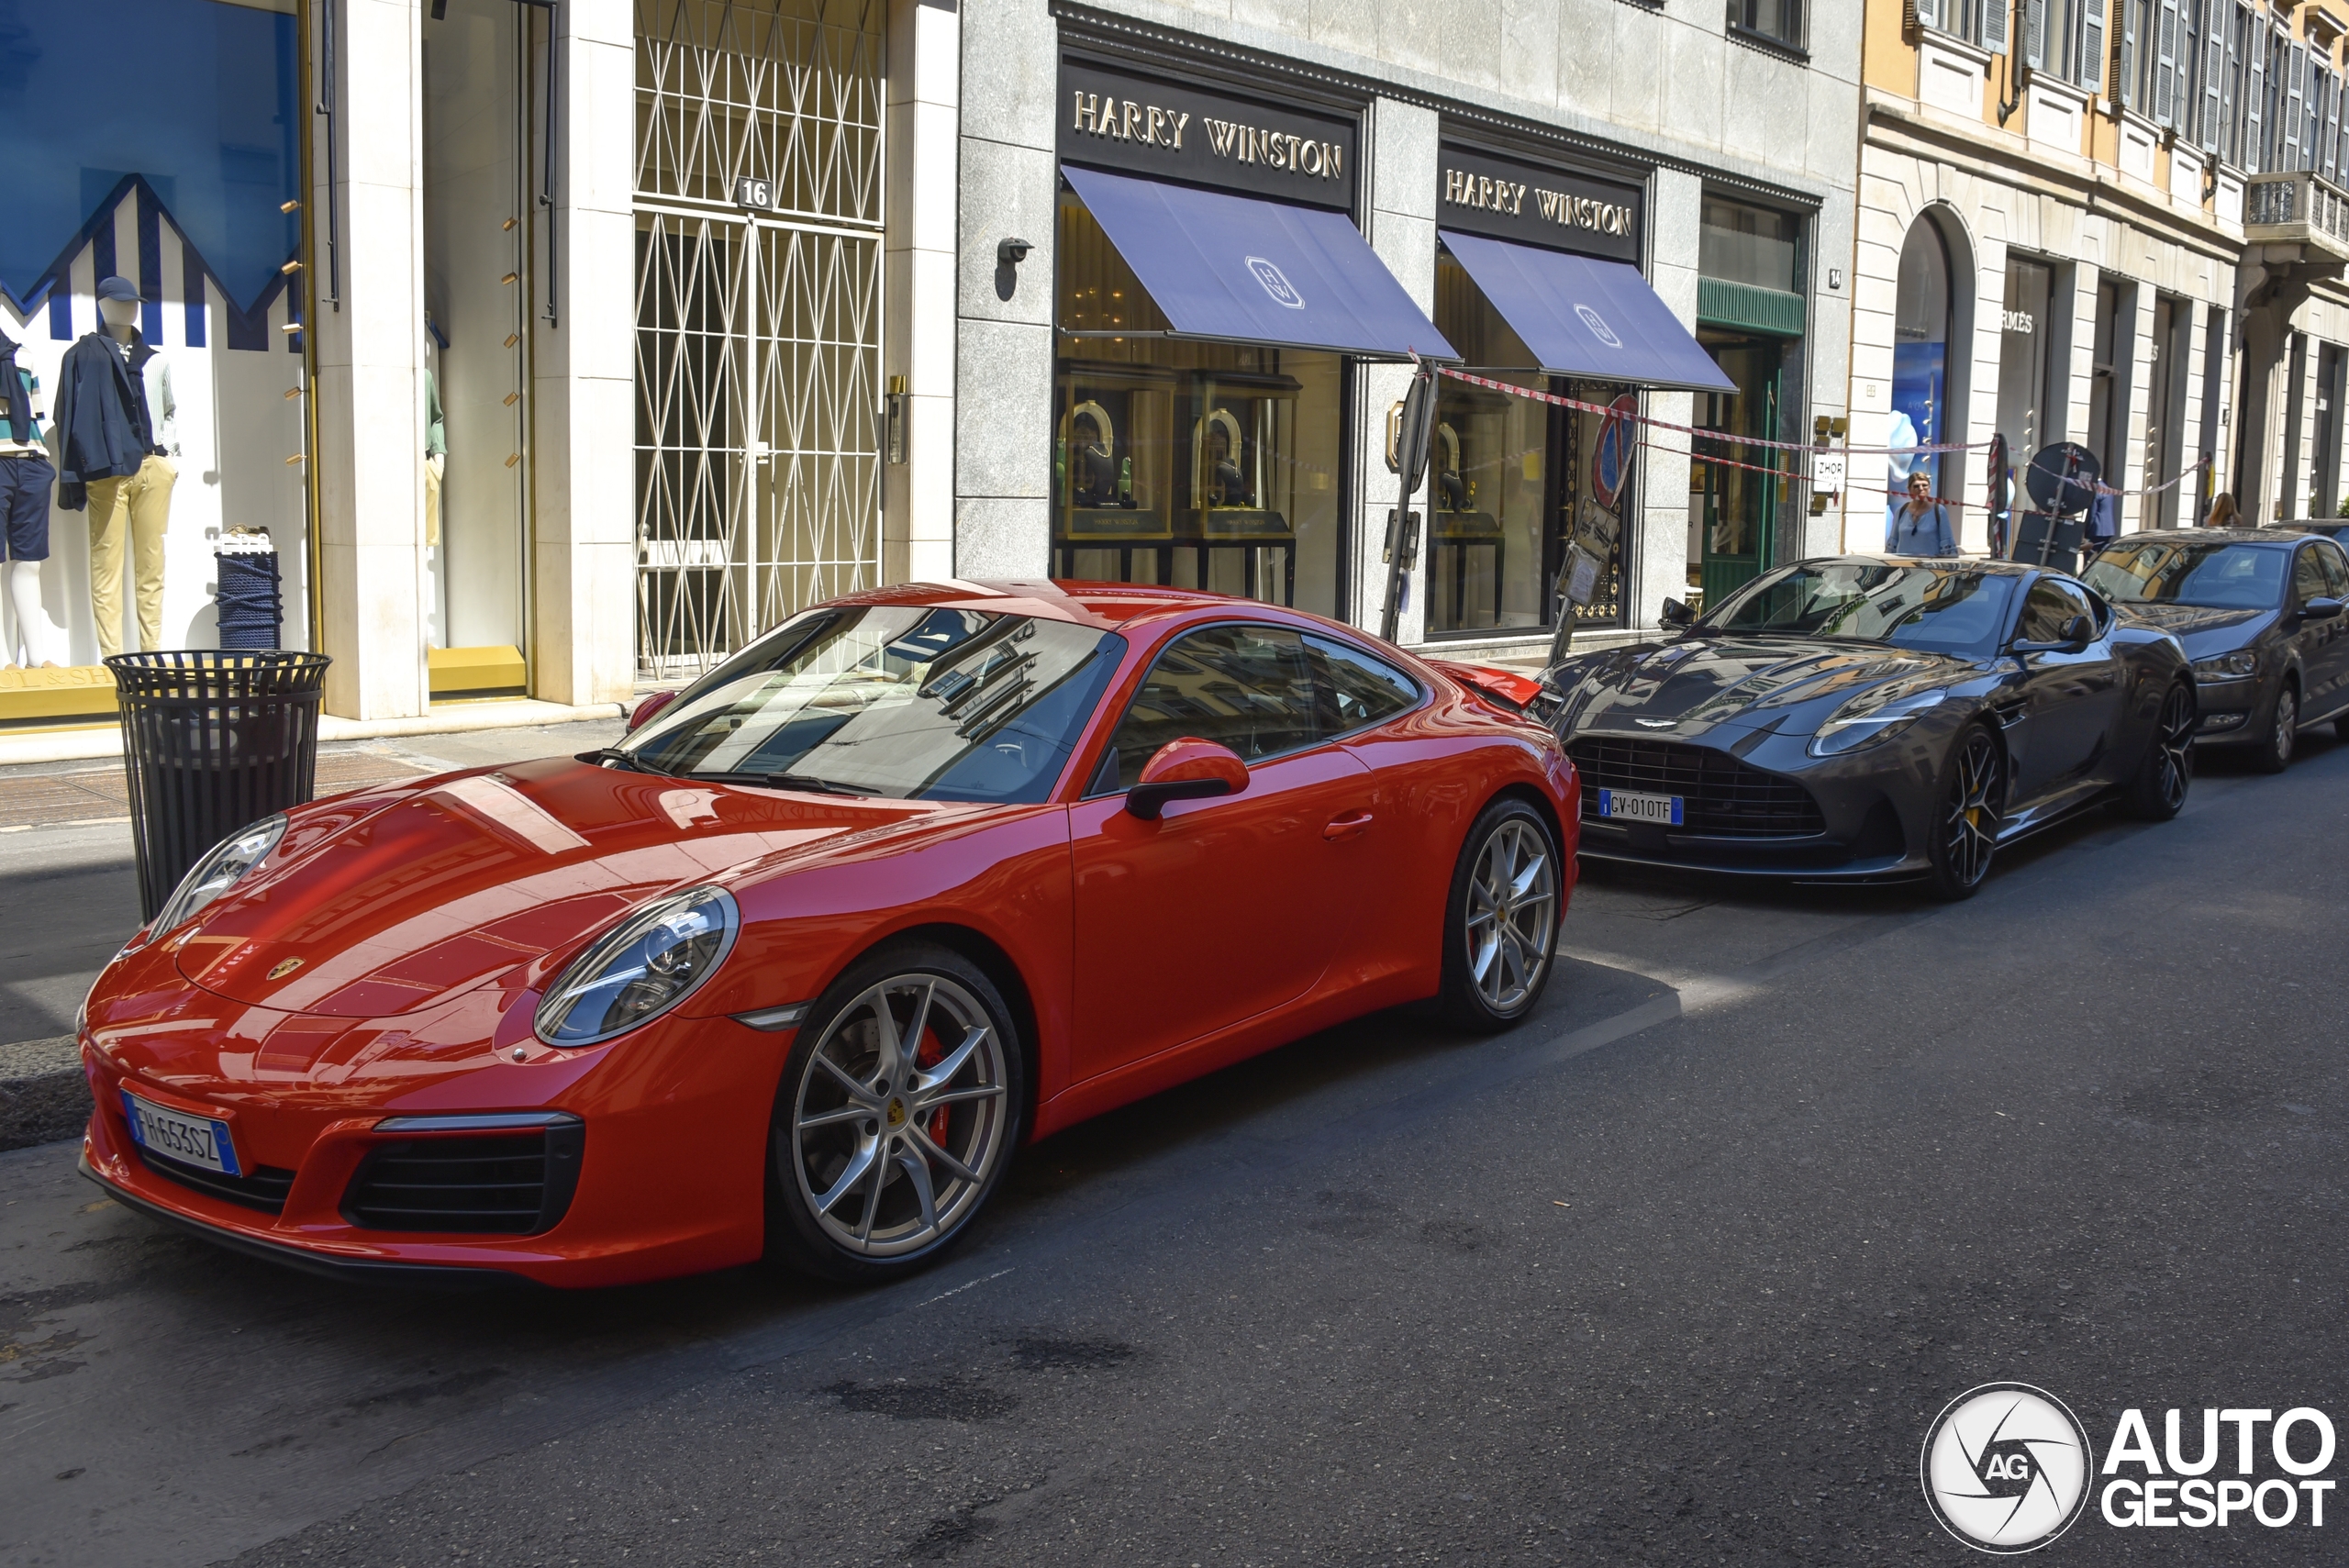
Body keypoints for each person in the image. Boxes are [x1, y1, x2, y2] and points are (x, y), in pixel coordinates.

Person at [1887, 468, 1957, 557]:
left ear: (1929, 488)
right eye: (1916, 486)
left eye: (1924, 485)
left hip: (1928, 567)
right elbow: (1893, 544)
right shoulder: (1901, 511)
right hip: (1904, 566)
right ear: (1909, 489)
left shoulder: (1939, 510)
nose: (1921, 489)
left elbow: (1947, 545)